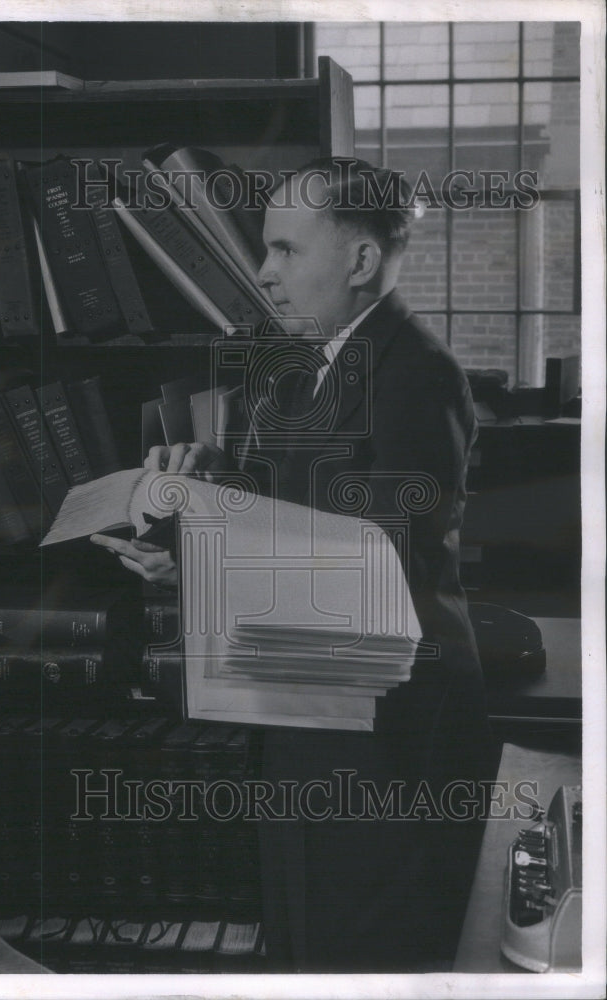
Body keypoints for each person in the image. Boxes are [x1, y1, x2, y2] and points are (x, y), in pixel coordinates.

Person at [92, 158, 494, 971]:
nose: (263, 274)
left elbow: (375, 564)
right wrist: (189, 497)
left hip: (387, 728)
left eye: (283, 251)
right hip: (308, 705)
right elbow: (291, 508)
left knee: (367, 952)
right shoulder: (309, 366)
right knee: (308, 944)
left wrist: (207, 560)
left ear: (359, 262)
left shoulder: (417, 373)